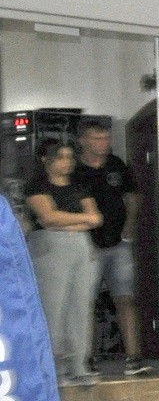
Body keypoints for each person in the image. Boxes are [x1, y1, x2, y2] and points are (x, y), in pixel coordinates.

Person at [24, 139, 103, 387]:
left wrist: (75, 222)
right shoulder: (36, 186)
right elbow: (48, 217)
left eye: (70, 156)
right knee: (53, 307)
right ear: (46, 160)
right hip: (49, 246)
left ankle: (78, 365)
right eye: (60, 157)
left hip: (81, 245)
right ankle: (52, 369)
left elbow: (97, 218)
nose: (67, 162)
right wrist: (83, 219)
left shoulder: (80, 186)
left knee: (81, 307)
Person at [72, 122, 148, 375]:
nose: (104, 143)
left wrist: (131, 222)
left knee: (125, 298)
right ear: (83, 141)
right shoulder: (75, 169)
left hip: (119, 243)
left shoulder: (116, 164)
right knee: (86, 302)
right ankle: (87, 358)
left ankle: (133, 358)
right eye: (97, 138)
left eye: (106, 138)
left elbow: (133, 195)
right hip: (87, 245)